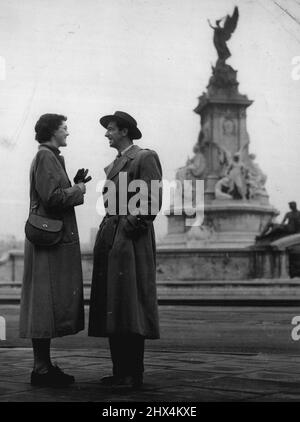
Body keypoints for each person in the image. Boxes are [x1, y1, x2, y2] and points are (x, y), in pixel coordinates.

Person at [88, 111, 162, 390]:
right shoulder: (115, 163)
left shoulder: (144, 157)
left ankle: (132, 374)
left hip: (130, 240)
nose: (107, 133)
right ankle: (120, 371)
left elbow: (151, 200)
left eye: (110, 129)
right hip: (111, 237)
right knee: (113, 306)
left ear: (124, 131)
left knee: (130, 306)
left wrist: (128, 227)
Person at [19, 113, 90, 387]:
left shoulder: (49, 156)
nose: (67, 133)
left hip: (47, 240)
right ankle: (41, 368)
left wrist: (72, 184)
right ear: (52, 132)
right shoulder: (47, 157)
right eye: (64, 128)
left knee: (44, 303)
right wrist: (79, 189)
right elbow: (52, 198)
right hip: (49, 243)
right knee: (45, 302)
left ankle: (43, 366)